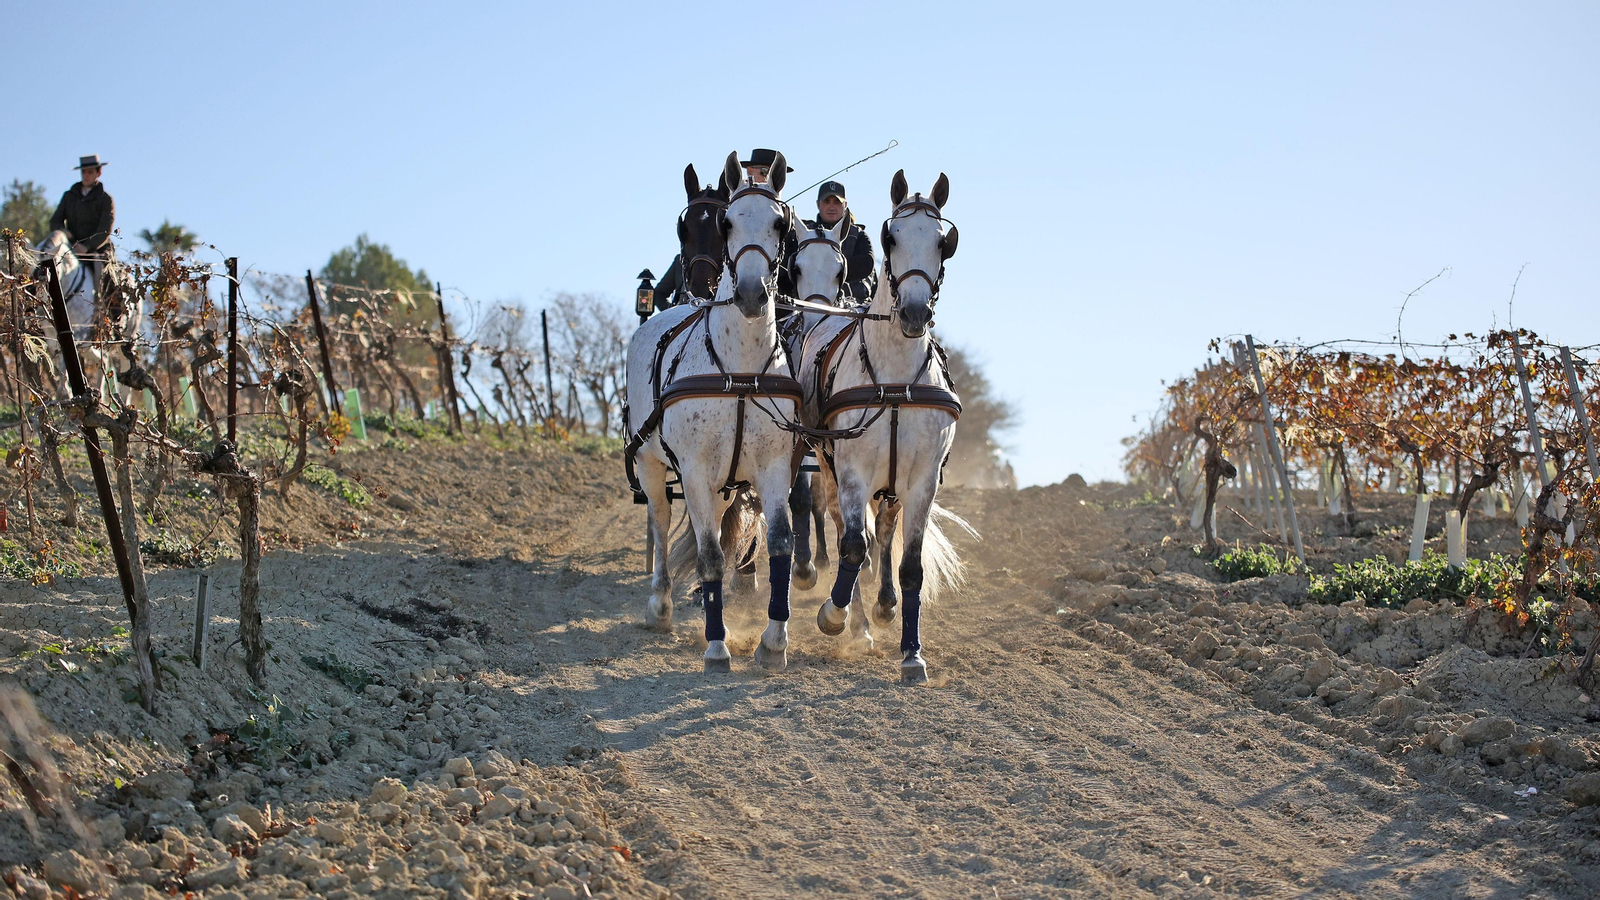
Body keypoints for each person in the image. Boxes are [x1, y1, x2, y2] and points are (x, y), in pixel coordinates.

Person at [652, 149, 794, 313]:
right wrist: (673, 314)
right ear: (748, 172)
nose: (767, 178)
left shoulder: (792, 234)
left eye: (772, 173)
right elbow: (659, 294)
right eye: (764, 171)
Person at [49, 155, 116, 287]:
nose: (86, 175)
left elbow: (105, 230)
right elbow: (55, 221)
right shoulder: (69, 196)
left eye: (90, 172)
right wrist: (63, 231)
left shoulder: (105, 199)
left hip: (97, 249)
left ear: (99, 172)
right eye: (84, 172)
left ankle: (112, 306)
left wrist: (87, 247)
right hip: (71, 247)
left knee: (108, 280)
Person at [807, 180, 877, 302]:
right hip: (810, 304)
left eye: (837, 202)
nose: (831, 207)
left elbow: (866, 263)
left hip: (852, 309)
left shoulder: (859, 235)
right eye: (826, 201)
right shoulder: (806, 232)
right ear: (818, 204)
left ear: (845, 205)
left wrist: (826, 267)